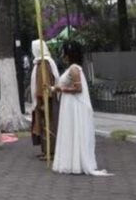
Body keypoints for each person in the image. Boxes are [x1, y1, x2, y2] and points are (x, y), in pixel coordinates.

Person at [51, 40, 109, 176]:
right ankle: (71, 161)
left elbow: (78, 88)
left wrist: (61, 89)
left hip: (73, 105)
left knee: (73, 130)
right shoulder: (73, 68)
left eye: (65, 54)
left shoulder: (74, 69)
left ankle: (76, 161)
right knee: (70, 131)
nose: (63, 56)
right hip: (69, 105)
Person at [30, 40, 60, 159]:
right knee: (42, 125)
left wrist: (44, 101)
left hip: (46, 101)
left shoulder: (44, 64)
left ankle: (50, 151)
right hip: (42, 100)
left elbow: (45, 83)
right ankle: (45, 150)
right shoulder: (40, 63)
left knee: (48, 124)